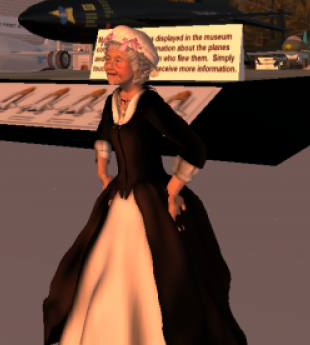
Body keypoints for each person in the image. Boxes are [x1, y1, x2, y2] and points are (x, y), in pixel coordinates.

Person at [42, 25, 246, 345]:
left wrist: (174, 190)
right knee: (96, 267)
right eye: (107, 59)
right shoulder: (112, 101)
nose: (109, 65)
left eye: (118, 59)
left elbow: (195, 146)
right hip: (118, 196)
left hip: (150, 196)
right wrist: (103, 172)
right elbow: (103, 135)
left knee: (160, 273)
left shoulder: (149, 103)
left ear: (137, 66)